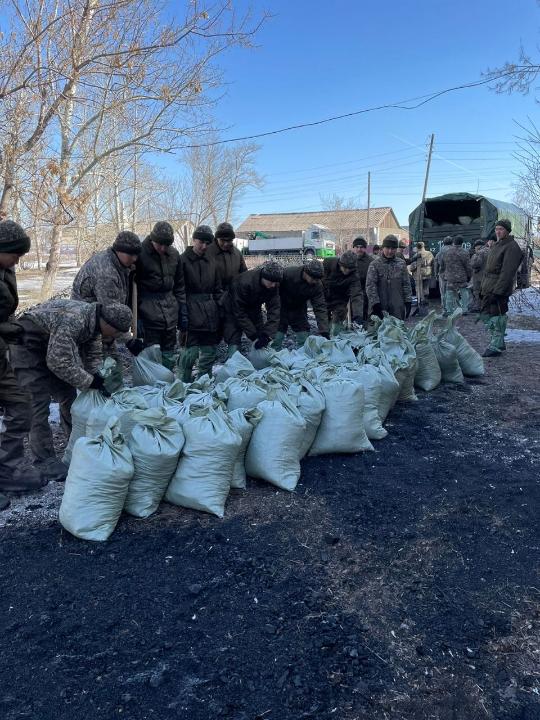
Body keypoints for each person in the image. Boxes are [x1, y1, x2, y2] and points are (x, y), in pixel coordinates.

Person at [10, 300, 132, 482]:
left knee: (69, 396)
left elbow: (91, 356)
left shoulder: (95, 324)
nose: (114, 337)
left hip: (51, 346)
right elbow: (58, 361)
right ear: (107, 323)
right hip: (27, 346)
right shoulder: (74, 321)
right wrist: (89, 381)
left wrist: (97, 378)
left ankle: (75, 442)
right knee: (37, 403)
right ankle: (44, 460)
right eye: (115, 332)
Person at [0, 221, 47, 509]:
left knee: (21, 405)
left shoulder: (6, 270)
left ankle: (8, 470)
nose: (19, 259)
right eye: (15, 254)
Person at [72, 230, 142, 365]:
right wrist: (129, 340)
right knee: (98, 369)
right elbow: (110, 312)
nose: (135, 259)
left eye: (136, 255)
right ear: (119, 250)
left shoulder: (118, 264)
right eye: (131, 254)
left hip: (101, 322)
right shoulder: (106, 272)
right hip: (87, 324)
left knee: (113, 366)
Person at [135, 221, 186, 369]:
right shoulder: (140, 254)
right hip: (148, 314)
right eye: (159, 245)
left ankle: (168, 384)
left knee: (169, 352)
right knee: (152, 355)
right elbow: (132, 289)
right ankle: (153, 389)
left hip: (170, 313)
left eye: (167, 245)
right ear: (152, 239)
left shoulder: (175, 255)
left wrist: (182, 311)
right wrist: (136, 317)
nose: (163, 248)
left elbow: (179, 285)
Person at [178, 226, 222, 382]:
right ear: (193, 240)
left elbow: (218, 288)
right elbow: (179, 290)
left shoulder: (212, 261)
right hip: (191, 312)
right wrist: (182, 314)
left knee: (209, 351)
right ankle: (182, 384)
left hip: (210, 312)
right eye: (201, 242)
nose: (204, 246)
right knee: (189, 354)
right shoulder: (182, 260)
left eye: (207, 243)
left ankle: (203, 383)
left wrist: (219, 307)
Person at [480, 219, 523, 357]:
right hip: (489, 286)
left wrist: (498, 292)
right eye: (497, 229)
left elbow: (507, 272)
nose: (498, 231)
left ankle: (495, 346)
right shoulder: (498, 245)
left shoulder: (511, 247)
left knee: (496, 316)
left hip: (498, 288)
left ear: (507, 231)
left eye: (501, 229)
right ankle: (498, 342)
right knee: (488, 315)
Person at [205, 222, 247, 357]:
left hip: (232, 299)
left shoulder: (237, 254)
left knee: (234, 334)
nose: (226, 244)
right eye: (223, 240)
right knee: (211, 339)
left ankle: (233, 369)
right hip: (212, 301)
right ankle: (205, 371)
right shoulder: (207, 251)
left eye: (229, 241)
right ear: (217, 238)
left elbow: (243, 275)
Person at [272, 260, 329, 349]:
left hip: (299, 309)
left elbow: (320, 307)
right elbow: (273, 292)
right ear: (306, 272)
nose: (315, 281)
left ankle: (302, 359)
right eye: (313, 278)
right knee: (276, 338)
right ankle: (273, 359)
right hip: (281, 307)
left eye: (317, 279)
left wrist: (324, 330)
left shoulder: (317, 285)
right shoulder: (287, 274)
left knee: (304, 339)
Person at [229, 260, 283, 349]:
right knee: (233, 335)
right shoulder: (244, 283)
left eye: (276, 283)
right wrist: (253, 334)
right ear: (263, 277)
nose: (273, 285)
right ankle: (232, 357)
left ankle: (258, 359)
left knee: (261, 336)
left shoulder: (273, 285)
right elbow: (239, 312)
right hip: (232, 306)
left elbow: (275, 309)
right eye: (271, 282)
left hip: (255, 307)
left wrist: (267, 334)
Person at [365, 234, 412, 320]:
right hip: (380, 308)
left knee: (397, 332)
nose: (390, 251)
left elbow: (406, 283)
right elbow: (370, 286)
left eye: (393, 248)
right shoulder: (375, 264)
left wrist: (408, 301)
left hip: (397, 308)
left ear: (396, 249)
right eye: (387, 248)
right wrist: (375, 304)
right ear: (383, 248)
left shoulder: (401, 264)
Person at [322, 251, 363, 334]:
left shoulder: (354, 276)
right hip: (324, 296)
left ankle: (336, 338)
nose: (347, 270)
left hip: (340, 300)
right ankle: (325, 336)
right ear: (340, 264)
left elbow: (356, 295)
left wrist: (358, 315)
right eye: (345, 267)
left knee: (338, 323)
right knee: (323, 323)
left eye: (350, 268)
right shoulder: (328, 263)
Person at [438, 235, 472, 314]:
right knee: (464, 293)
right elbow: (468, 266)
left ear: (454, 242)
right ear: (462, 243)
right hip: (462, 277)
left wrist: (442, 273)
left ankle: (449, 310)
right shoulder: (465, 252)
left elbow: (442, 264)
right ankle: (464, 309)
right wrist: (469, 275)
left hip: (450, 277)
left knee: (449, 293)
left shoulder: (447, 252)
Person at [351, 236, 373, 321]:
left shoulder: (370, 261)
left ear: (365, 248)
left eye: (362, 247)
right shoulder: (349, 259)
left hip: (365, 293)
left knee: (364, 318)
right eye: (357, 247)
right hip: (351, 293)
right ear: (354, 248)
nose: (359, 249)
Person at [470, 239, 490, 312]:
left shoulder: (479, 253)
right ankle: (487, 307)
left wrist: (473, 257)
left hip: (479, 276)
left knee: (477, 292)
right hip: (489, 277)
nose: (475, 249)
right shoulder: (491, 250)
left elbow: (475, 264)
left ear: (477, 246)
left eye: (475, 247)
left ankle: (478, 307)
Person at [435, 236, 453, 313]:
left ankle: (444, 308)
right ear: (452, 242)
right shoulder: (454, 250)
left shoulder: (440, 252)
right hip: (453, 275)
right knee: (452, 292)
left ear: (443, 243)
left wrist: (436, 274)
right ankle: (451, 308)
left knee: (443, 292)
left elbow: (436, 264)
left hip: (442, 274)